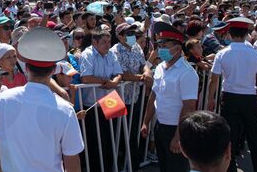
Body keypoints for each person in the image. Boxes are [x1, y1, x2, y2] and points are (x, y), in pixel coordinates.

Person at [0, 27, 84, 172]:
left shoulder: (3, 100)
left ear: (27, 69)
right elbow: (72, 159)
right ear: (53, 71)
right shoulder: (65, 109)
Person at [207, 17, 257, 172]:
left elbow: (213, 79)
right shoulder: (255, 54)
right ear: (245, 33)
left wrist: (210, 99)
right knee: (256, 139)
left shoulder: (222, 54)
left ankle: (229, 169)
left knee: (229, 139)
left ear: (230, 33)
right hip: (249, 98)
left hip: (229, 98)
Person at [141, 21, 198, 172]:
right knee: (164, 166)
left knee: (177, 167)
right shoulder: (160, 67)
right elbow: (153, 95)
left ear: (178, 48)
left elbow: (189, 107)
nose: (160, 50)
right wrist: (146, 122)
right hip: (160, 126)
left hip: (177, 128)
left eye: (164, 47)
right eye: (159, 46)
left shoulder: (187, 73)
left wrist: (178, 136)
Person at [79, 28, 123, 172]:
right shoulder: (87, 54)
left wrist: (115, 82)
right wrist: (106, 81)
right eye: (104, 42)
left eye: (109, 41)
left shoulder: (111, 54)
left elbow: (119, 73)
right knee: (97, 141)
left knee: (112, 137)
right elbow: (86, 78)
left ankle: (111, 167)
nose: (107, 45)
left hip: (111, 100)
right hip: (93, 104)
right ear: (94, 42)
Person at [110, 22, 153, 171]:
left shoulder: (136, 48)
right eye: (128, 34)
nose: (132, 37)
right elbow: (122, 74)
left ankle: (132, 165)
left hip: (134, 98)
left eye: (133, 34)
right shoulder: (115, 51)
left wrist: (147, 72)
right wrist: (142, 78)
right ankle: (117, 164)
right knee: (117, 133)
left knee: (132, 132)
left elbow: (144, 64)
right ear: (120, 36)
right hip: (117, 99)